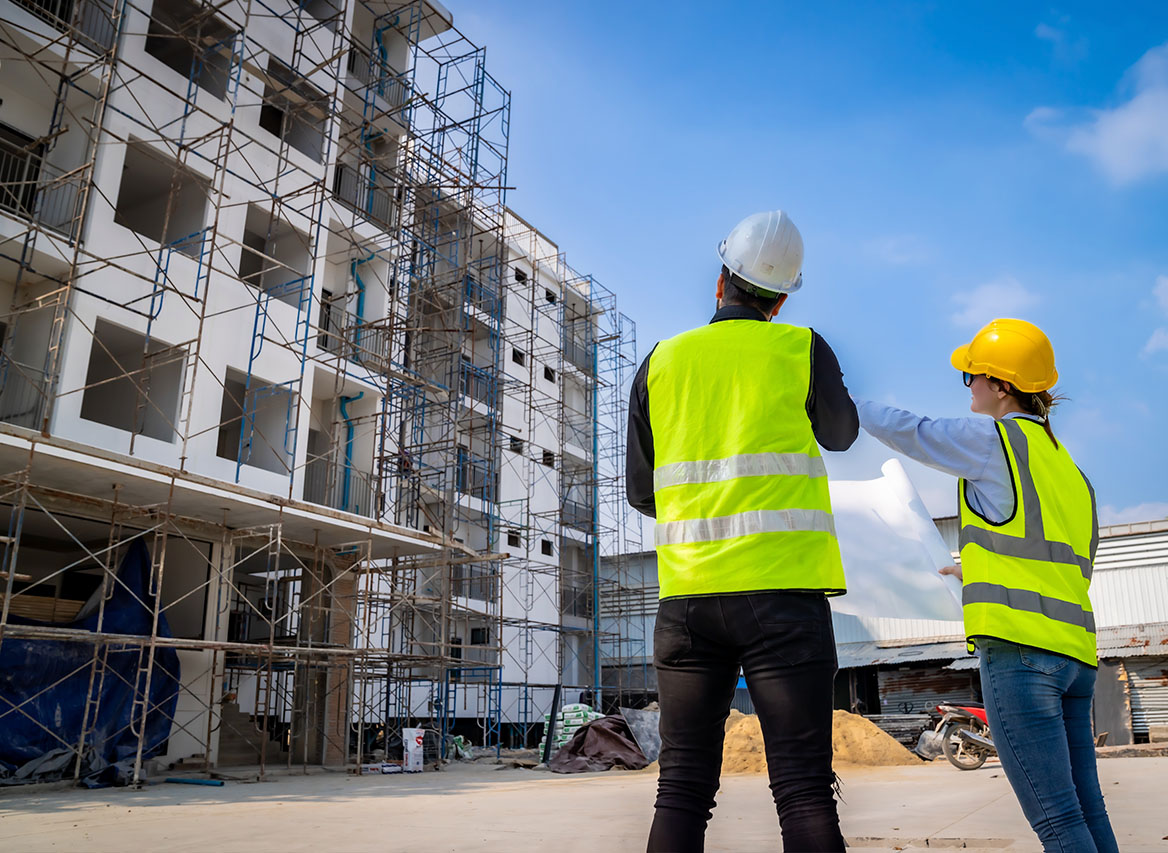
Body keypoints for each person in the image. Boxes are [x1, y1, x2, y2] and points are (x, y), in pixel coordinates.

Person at [626, 210, 858, 852]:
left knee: (683, 788)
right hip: (784, 599)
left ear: (721, 278)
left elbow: (643, 494)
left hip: (689, 602)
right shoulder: (800, 348)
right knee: (804, 788)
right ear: (782, 297)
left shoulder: (662, 361)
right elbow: (841, 435)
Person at [854, 318, 1118, 853]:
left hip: (1020, 657)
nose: (968, 386)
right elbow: (1065, 563)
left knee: (1057, 823)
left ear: (1000, 384)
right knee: (1085, 811)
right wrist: (976, 572)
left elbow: (914, 431)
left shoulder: (994, 438)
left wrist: (841, 402)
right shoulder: (1071, 471)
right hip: (1076, 658)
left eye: (971, 376)